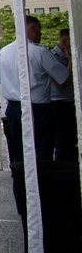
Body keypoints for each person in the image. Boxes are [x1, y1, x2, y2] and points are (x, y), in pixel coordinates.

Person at [0, 16, 71, 163]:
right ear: (32, 30)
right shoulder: (39, 52)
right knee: (41, 152)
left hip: (13, 107)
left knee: (18, 151)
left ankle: (20, 183)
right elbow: (64, 80)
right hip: (36, 109)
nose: (40, 35)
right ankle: (41, 184)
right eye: (40, 31)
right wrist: (71, 60)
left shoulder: (4, 52)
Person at [51, 28, 76, 161]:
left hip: (72, 102)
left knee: (72, 142)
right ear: (65, 41)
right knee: (63, 143)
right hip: (60, 103)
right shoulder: (52, 56)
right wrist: (71, 61)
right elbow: (62, 82)